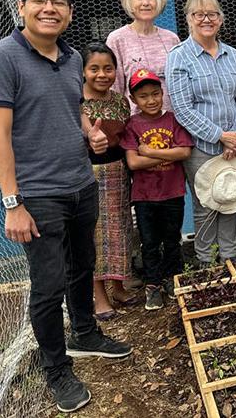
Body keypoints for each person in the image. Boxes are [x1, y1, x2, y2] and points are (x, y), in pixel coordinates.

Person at [0, 0, 131, 413]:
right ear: (22, 7)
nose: (50, 9)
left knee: (83, 265)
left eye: (59, 3)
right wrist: (13, 204)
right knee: (47, 287)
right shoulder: (2, 58)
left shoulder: (69, 58)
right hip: (38, 195)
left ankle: (85, 333)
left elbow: (71, 108)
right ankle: (56, 370)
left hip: (81, 184)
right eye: (41, 1)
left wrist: (90, 133)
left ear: (69, 12)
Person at [167, 0, 236, 265]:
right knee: (206, 206)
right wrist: (220, 136)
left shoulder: (233, 55)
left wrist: (235, 138)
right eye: (199, 14)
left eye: (212, 14)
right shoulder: (179, 57)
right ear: (189, 19)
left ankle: (230, 258)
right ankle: (206, 263)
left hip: (233, 144)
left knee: (231, 199)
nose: (206, 19)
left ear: (220, 19)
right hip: (202, 146)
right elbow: (182, 108)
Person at [121, 69, 193, 310]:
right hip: (144, 196)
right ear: (133, 99)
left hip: (173, 192)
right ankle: (153, 284)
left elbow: (184, 152)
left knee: (172, 238)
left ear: (163, 93)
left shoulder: (173, 120)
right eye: (143, 96)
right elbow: (133, 162)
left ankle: (173, 278)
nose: (151, 100)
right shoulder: (132, 125)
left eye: (155, 94)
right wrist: (167, 155)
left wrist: (151, 152)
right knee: (149, 242)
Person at [79, 42, 138, 320]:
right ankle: (99, 296)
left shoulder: (120, 101)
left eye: (108, 68)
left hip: (119, 172)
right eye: (94, 69)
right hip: (89, 174)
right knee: (96, 236)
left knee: (121, 231)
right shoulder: (76, 102)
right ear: (83, 71)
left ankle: (119, 287)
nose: (102, 74)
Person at [106, 0, 180, 114]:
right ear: (129, 2)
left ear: (158, 1)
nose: (145, 3)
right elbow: (114, 89)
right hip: (136, 126)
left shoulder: (171, 39)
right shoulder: (117, 39)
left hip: (173, 123)